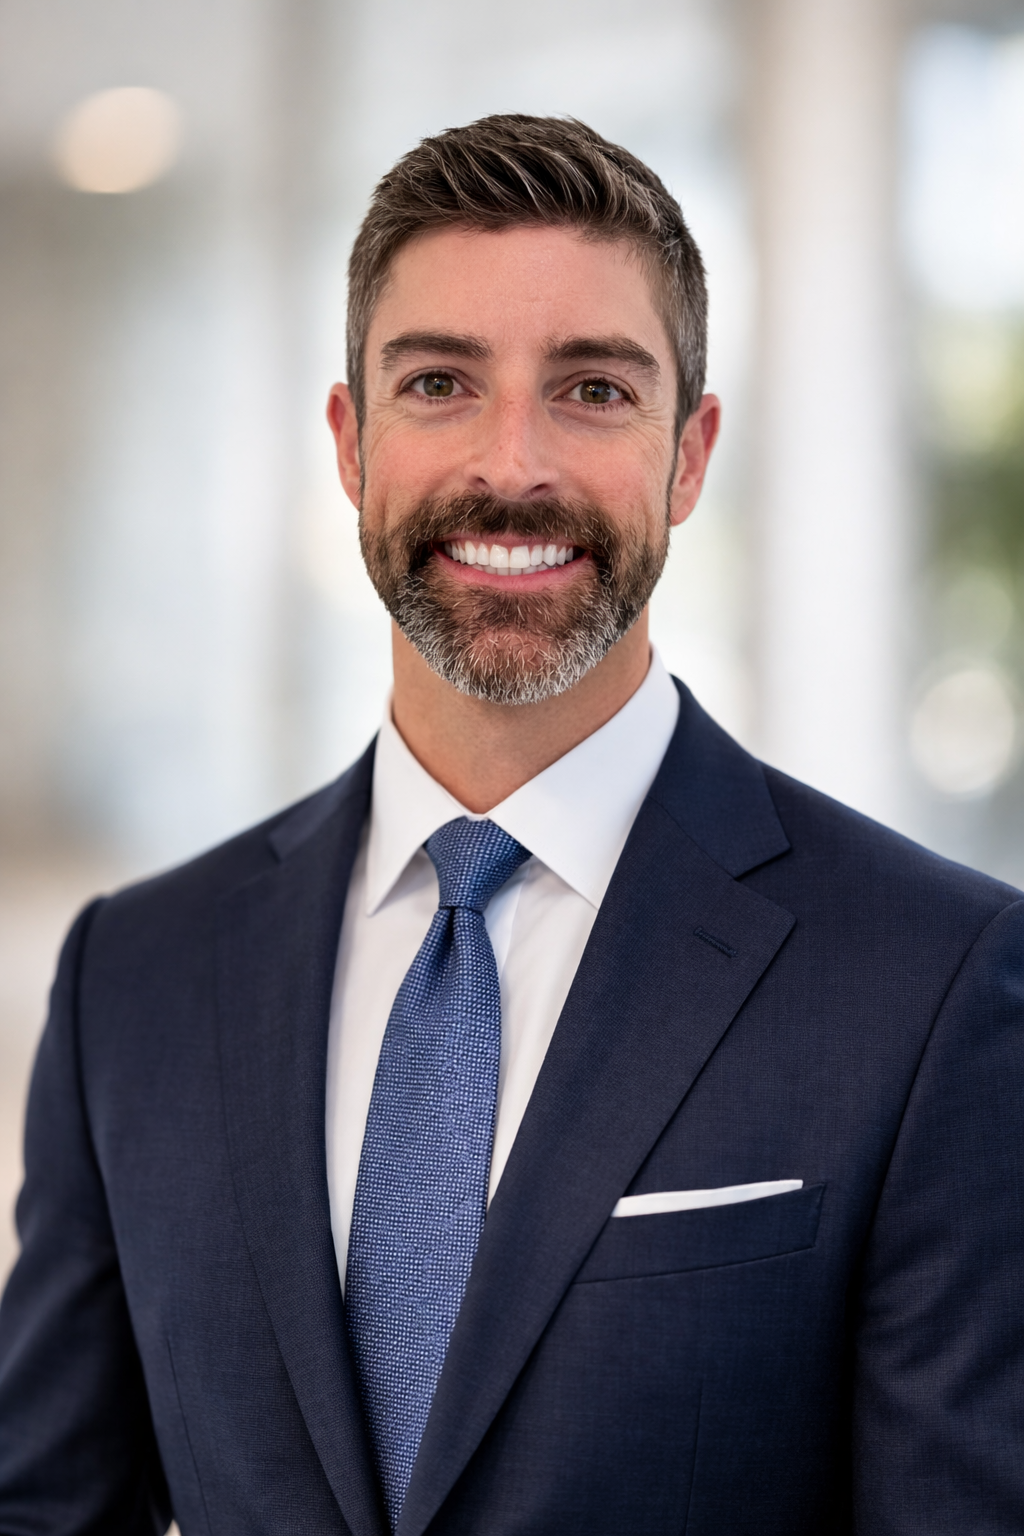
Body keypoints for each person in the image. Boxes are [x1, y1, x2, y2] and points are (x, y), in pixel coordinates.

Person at [0, 114, 1022, 1536]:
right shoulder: (137, 978)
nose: (514, 465)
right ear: (351, 445)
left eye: (595, 388)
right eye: (439, 383)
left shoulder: (932, 982)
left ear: (689, 455)